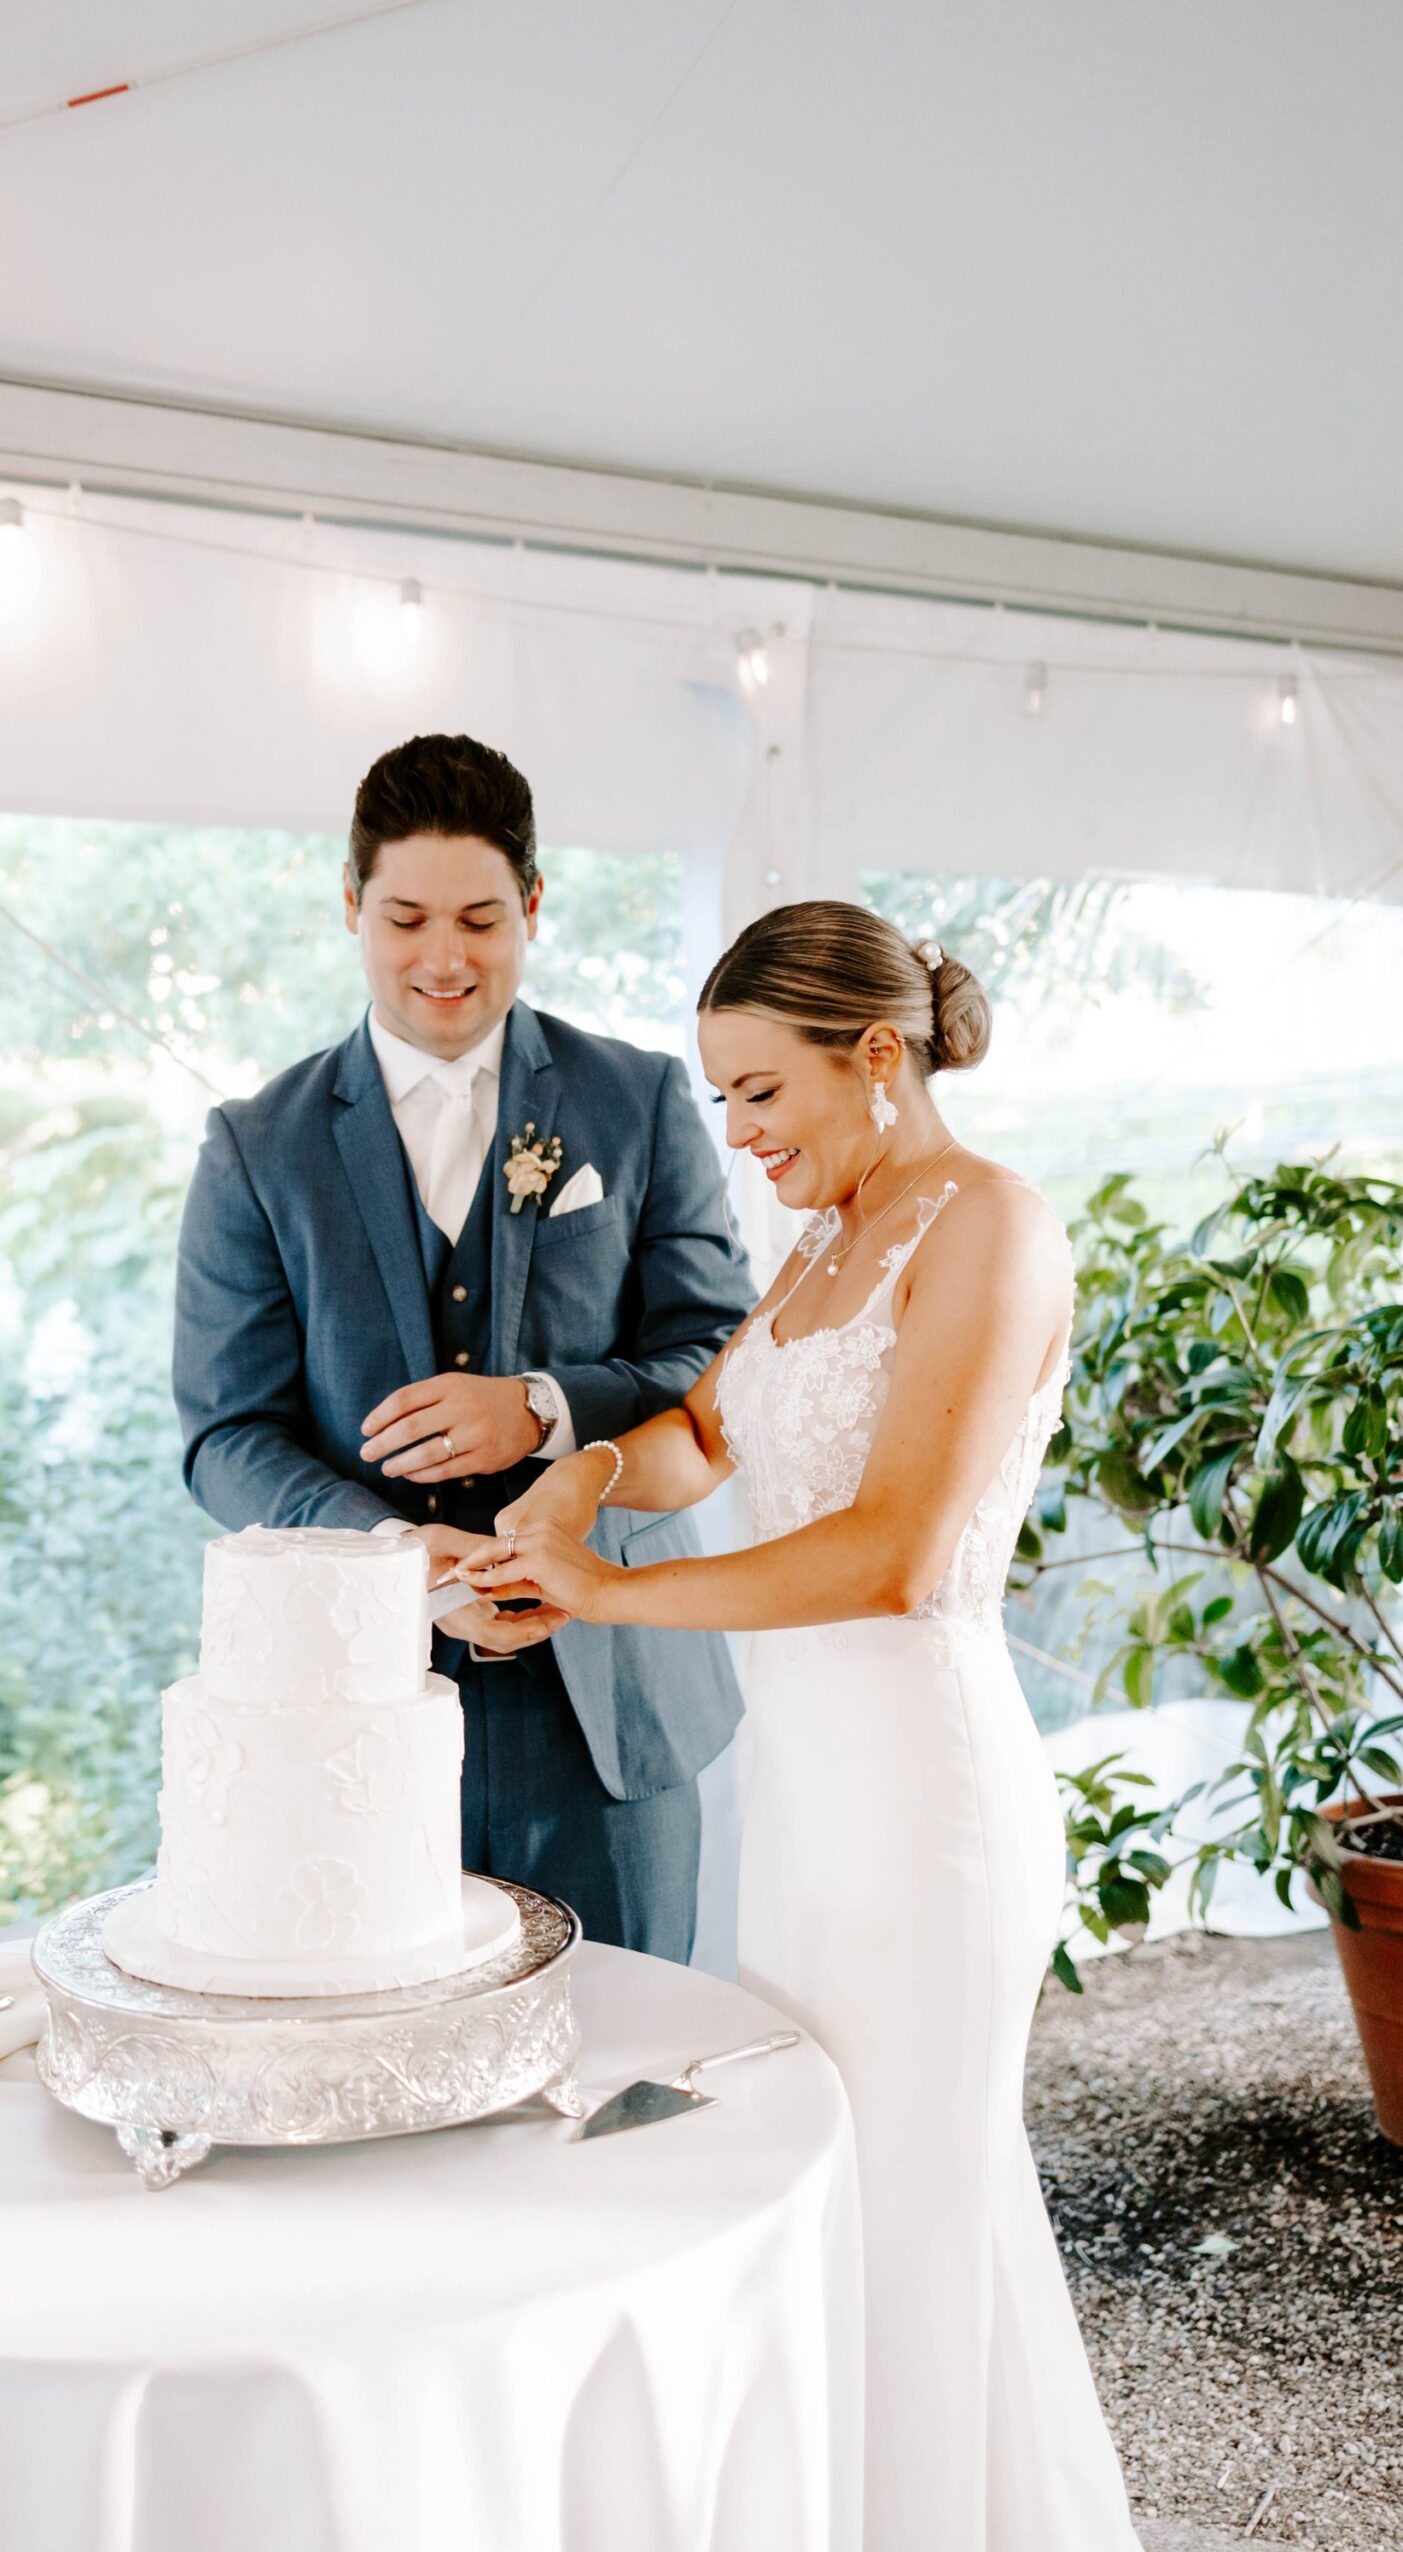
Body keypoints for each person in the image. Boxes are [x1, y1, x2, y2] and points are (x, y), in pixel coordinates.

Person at [459, 900, 1143, 2551]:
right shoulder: (828, 1236)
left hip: (926, 1803)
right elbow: (708, 1426)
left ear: (878, 1056)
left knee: (913, 2207)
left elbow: (893, 1553)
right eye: (720, 1101)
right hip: (811, 1808)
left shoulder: (987, 1226)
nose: (737, 1135)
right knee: (819, 2187)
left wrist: (599, 1597)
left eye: (759, 1093)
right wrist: (588, 1483)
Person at [172, 732, 754, 1959]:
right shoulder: (254, 1144)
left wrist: (543, 1410)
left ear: (534, 904)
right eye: (407, 918)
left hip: (613, 1700)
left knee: (629, 2068)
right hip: (358, 1714)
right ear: (351, 906)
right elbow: (225, 1436)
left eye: (482, 918)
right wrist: (390, 1551)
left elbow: (720, 1361)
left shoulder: (638, 1099)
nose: (444, 958)